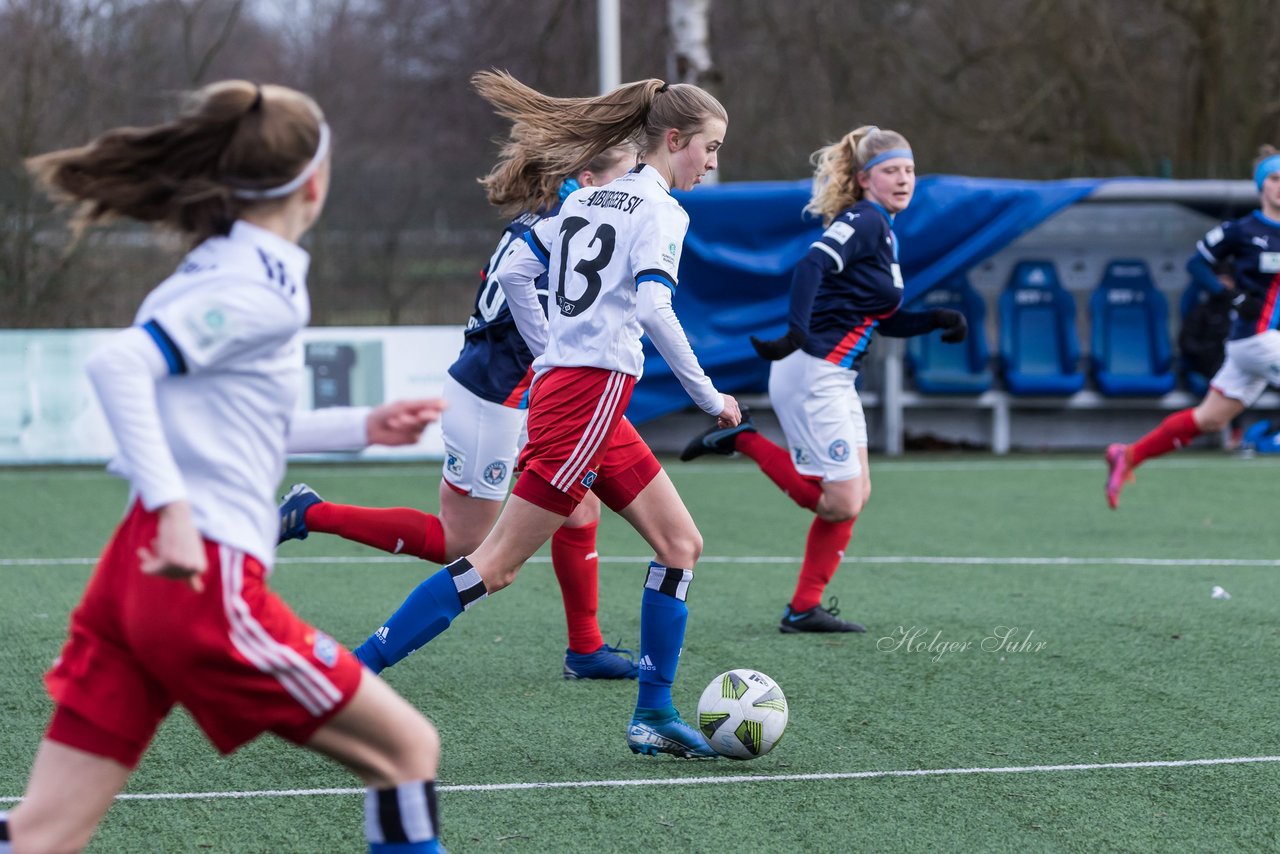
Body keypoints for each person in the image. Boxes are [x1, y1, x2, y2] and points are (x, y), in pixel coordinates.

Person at [1, 81, 447, 854]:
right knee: (406, 753)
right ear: (315, 181)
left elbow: (220, 423)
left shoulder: (221, 262)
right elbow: (119, 367)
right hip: (199, 578)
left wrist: (358, 427)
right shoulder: (258, 285)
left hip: (134, 574)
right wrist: (175, 508)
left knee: (43, 832)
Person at [345, 69, 739, 760]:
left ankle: (652, 714)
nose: (713, 163)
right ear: (674, 139)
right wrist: (711, 398)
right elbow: (652, 307)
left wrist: (553, 344)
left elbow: (517, 272)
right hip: (585, 399)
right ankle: (346, 677)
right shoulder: (660, 210)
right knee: (491, 566)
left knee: (680, 545)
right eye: (709, 147)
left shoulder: (590, 200)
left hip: (585, 397)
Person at [277, 142, 641, 682]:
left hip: (523, 393)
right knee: (463, 544)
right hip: (492, 399)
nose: (636, 185)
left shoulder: (546, 219)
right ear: (588, 180)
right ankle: (311, 513)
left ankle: (584, 650)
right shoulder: (573, 226)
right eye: (628, 173)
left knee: (579, 508)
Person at [680, 125, 966, 634]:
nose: (903, 180)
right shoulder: (864, 219)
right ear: (864, 179)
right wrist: (796, 330)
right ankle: (743, 438)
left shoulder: (882, 228)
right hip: (813, 371)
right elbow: (811, 266)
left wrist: (936, 322)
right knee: (841, 500)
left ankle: (803, 608)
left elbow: (878, 317)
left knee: (853, 496)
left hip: (832, 376)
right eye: (891, 171)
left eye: (909, 171)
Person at [1105, 145, 1280, 508]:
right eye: (1275, 179)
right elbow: (1197, 264)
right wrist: (1227, 295)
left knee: (1210, 420)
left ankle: (1129, 454)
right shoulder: (1242, 230)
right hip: (1256, 339)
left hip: (1260, 347)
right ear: (1262, 186)